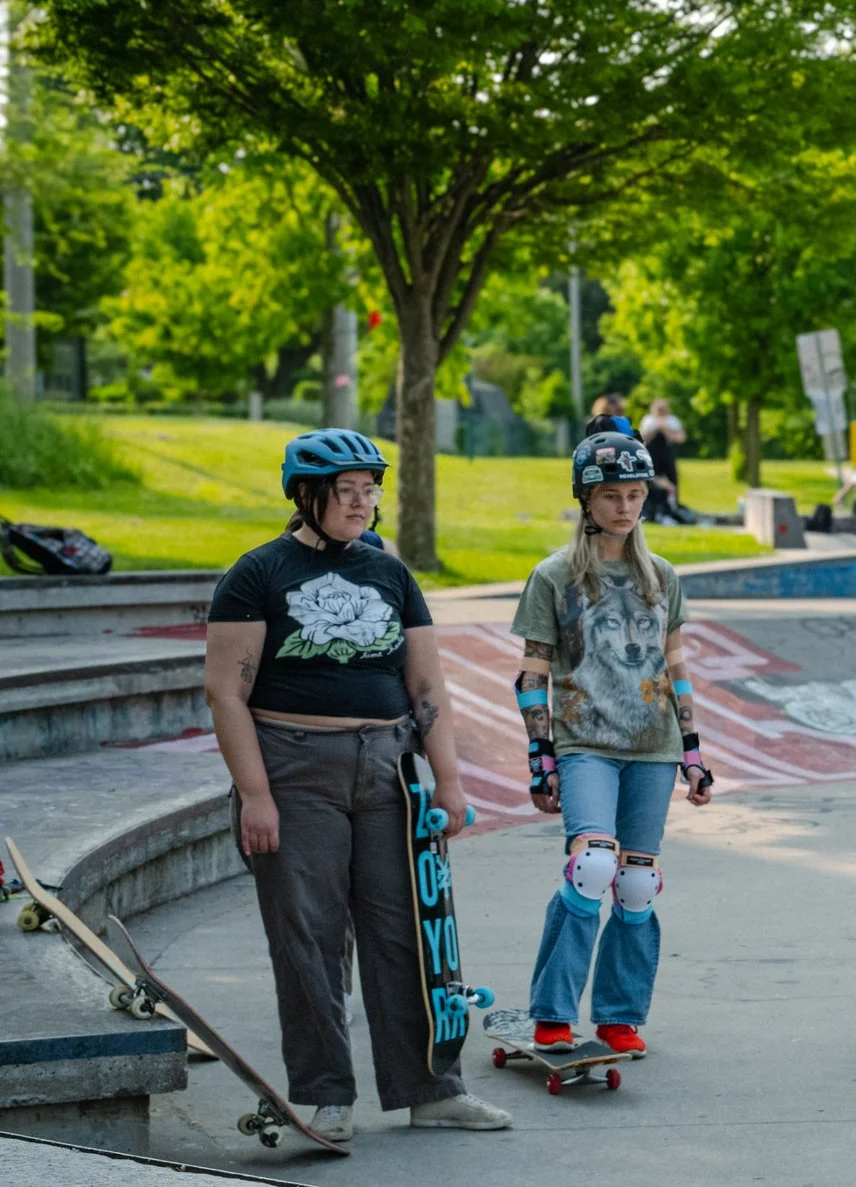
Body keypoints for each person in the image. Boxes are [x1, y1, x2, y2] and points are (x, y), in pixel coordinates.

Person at [202, 429, 511, 1140]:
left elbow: (427, 682)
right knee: (307, 933)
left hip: (388, 770)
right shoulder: (256, 575)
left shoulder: (390, 575)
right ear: (305, 496)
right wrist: (255, 793)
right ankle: (327, 1094)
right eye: (346, 491)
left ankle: (432, 1088)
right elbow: (226, 692)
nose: (362, 503)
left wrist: (451, 781)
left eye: (370, 489)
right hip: (292, 767)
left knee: (408, 929)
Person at [512, 428, 715, 1056]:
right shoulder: (554, 577)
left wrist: (694, 751)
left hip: (653, 746)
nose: (625, 507)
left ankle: (619, 1013)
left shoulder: (661, 577)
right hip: (585, 744)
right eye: (611, 496)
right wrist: (540, 757)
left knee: (635, 882)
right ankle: (552, 1009)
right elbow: (531, 673)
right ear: (585, 499)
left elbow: (676, 666)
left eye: (635, 495)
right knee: (592, 866)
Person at [637, 397, 691, 524]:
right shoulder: (648, 420)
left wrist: (667, 431)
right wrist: (654, 430)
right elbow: (641, 439)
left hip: (667, 457)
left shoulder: (673, 421)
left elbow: (681, 438)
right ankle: (650, 509)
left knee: (671, 481)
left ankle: (671, 507)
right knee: (651, 481)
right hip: (651, 457)